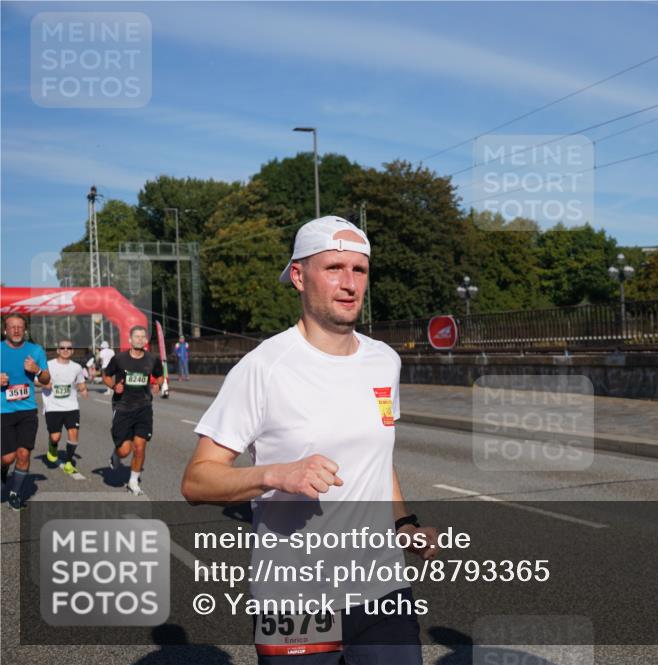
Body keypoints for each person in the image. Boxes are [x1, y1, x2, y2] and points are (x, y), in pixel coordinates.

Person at [181, 216, 439, 665]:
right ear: (299, 277)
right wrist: (275, 475)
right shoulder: (263, 367)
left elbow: (378, 460)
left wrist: (405, 525)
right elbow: (197, 481)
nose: (349, 283)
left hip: (384, 592)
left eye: (359, 270)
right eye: (334, 268)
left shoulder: (384, 360)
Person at [103, 325, 163, 495]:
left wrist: (158, 384)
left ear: (146, 340)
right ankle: (116, 455)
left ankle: (133, 482)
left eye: (142, 336)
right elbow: (106, 376)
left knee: (140, 447)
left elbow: (159, 376)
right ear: (130, 340)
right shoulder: (119, 359)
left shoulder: (152, 359)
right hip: (123, 407)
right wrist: (114, 386)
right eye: (136, 336)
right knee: (124, 451)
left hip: (144, 408)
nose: (139, 339)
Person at [1, 314, 50, 510]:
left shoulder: (35, 350)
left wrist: (37, 370)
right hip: (3, 411)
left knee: (23, 454)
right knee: (7, 457)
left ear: (25, 330)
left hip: (27, 411)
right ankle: (3, 469)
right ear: (5, 330)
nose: (16, 330)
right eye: (12, 327)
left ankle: (15, 493)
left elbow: (46, 379)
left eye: (20, 327)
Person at [38, 339, 89, 475]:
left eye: (68, 348)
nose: (65, 350)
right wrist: (44, 384)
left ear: (72, 351)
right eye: (62, 348)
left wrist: (83, 389)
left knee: (73, 434)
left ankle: (69, 462)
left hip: (71, 407)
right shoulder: (48, 365)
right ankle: (52, 447)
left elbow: (80, 382)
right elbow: (35, 380)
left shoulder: (77, 367)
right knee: (55, 437)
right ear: (57, 350)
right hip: (53, 407)